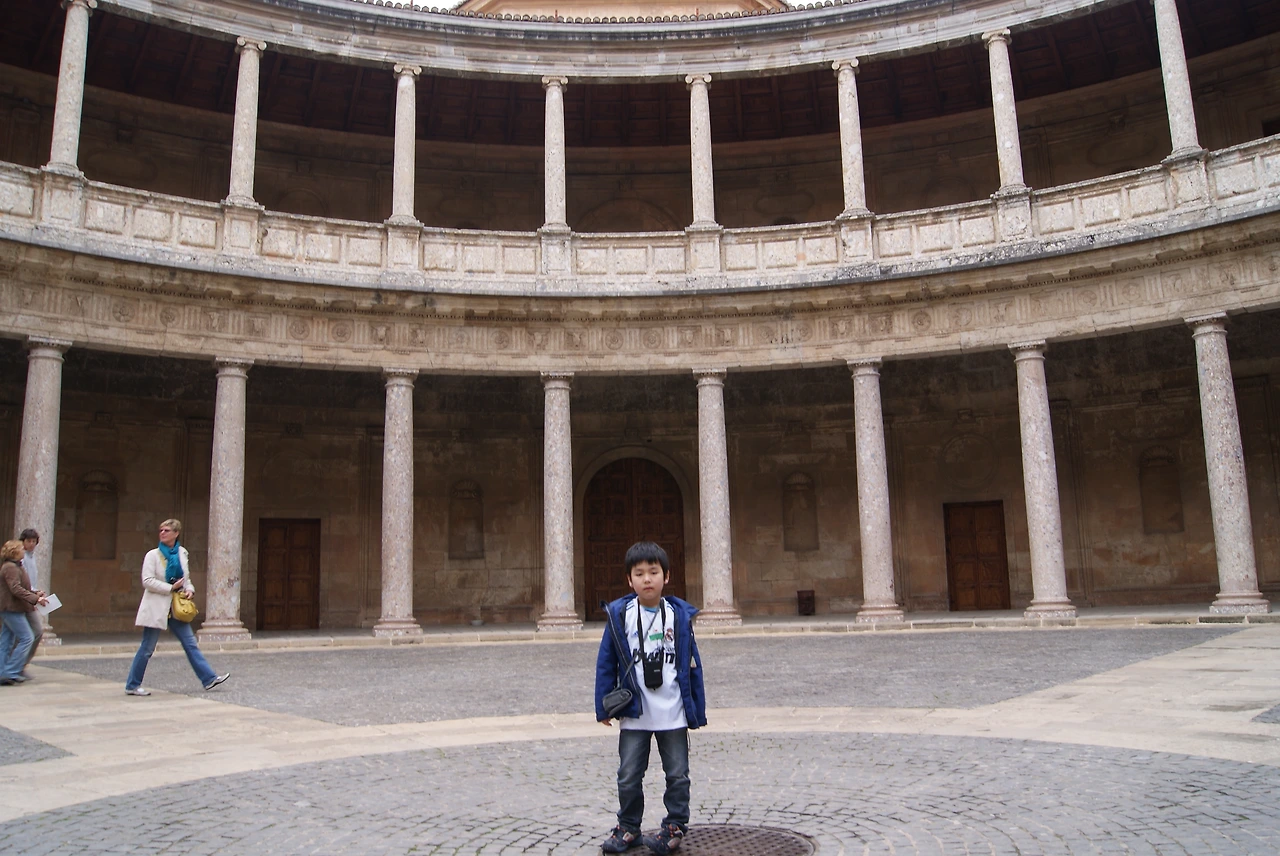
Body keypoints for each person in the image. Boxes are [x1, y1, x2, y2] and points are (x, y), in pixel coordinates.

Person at [594, 541, 706, 855]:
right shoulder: (621, 615)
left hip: (673, 710)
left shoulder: (679, 616)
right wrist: (603, 705)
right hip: (635, 711)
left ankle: (675, 825)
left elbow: (693, 664)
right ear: (629, 580)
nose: (647, 579)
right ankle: (629, 826)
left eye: (653, 572)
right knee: (628, 775)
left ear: (666, 576)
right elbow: (606, 662)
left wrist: (696, 707)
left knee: (678, 775)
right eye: (639, 573)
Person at [125, 518, 229, 696]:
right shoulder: (152, 555)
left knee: (190, 644)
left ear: (176, 533)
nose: (162, 533)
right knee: (147, 647)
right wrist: (170, 587)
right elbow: (147, 581)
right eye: (161, 530)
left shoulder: (182, 553)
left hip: (175, 606)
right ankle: (132, 685)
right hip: (157, 606)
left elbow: (185, 579)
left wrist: (189, 589)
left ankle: (209, 678)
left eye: (166, 530)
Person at [1, 539, 45, 686]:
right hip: (11, 608)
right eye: (20, 549)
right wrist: (35, 599)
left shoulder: (16, 566)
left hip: (13, 608)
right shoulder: (10, 567)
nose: (23, 551)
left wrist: (35, 593)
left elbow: (23, 587)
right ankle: (11, 671)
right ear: (14, 551)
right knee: (27, 637)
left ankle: (3, 671)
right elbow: (15, 588)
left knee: (6, 641)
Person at [16, 529, 44, 677]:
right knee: (28, 634)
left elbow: (30, 580)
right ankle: (15, 667)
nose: (31, 544)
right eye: (29, 541)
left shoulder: (32, 558)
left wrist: (36, 591)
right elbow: (20, 583)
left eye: (34, 541)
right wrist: (34, 593)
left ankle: (19, 665)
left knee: (34, 633)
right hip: (22, 600)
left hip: (30, 599)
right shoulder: (21, 559)